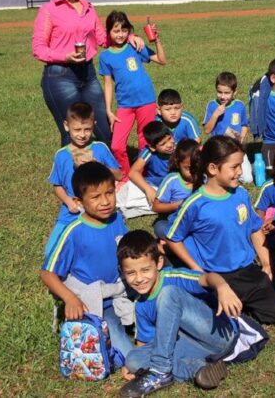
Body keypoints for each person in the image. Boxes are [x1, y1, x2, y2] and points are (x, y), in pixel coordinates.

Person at [165, 137, 275, 324]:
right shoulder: (195, 204)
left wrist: (266, 263)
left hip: (247, 270)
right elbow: (173, 237)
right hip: (216, 275)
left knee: (273, 317)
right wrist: (197, 270)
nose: (240, 172)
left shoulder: (241, 195)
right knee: (225, 322)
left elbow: (254, 228)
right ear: (212, 169)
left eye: (240, 166)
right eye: (234, 167)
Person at [117, 230, 247, 395]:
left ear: (158, 263)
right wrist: (135, 364)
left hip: (218, 334)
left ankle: (160, 371)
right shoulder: (140, 305)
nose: (139, 278)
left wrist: (222, 287)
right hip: (192, 348)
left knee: (169, 294)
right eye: (131, 273)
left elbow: (208, 278)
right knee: (133, 358)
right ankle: (198, 369)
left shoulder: (174, 277)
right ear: (123, 272)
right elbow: (146, 343)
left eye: (145, 270)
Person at [32, 0, 144, 145]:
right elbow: (38, 48)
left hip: (88, 74)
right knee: (75, 133)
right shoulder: (48, 10)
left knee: (106, 130)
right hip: (60, 76)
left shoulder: (88, 7)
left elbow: (102, 38)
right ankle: (71, 173)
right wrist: (65, 56)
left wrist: (128, 36)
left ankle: (114, 172)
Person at [40, 161, 134, 357]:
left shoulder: (118, 219)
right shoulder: (74, 232)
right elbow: (47, 273)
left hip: (122, 290)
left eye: (110, 193)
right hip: (94, 300)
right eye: (96, 197)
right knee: (126, 353)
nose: (106, 202)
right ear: (79, 202)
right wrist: (70, 298)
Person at [44, 102, 120, 256]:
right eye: (77, 129)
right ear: (66, 126)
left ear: (94, 125)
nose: (82, 134)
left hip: (98, 207)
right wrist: (68, 201)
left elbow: (119, 175)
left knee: (105, 248)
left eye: (87, 129)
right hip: (71, 211)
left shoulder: (100, 148)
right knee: (51, 252)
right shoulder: (61, 155)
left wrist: (99, 165)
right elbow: (57, 185)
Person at [99, 10, 167, 175]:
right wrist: (108, 110)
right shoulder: (105, 56)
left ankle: (142, 175)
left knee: (145, 141)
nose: (120, 34)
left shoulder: (135, 46)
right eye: (116, 31)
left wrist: (156, 40)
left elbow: (161, 60)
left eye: (124, 30)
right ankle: (125, 176)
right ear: (108, 32)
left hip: (146, 101)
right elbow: (108, 84)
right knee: (117, 145)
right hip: (125, 105)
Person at [152, 140, 198, 239]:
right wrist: (180, 204)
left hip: (198, 222)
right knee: (160, 227)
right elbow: (156, 207)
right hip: (175, 223)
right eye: (188, 168)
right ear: (178, 163)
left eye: (197, 167)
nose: (193, 171)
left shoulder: (204, 178)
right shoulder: (171, 180)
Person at [129, 121, 177, 207]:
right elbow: (133, 172)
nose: (169, 145)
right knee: (130, 188)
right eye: (163, 144)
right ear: (153, 147)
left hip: (175, 184)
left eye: (170, 138)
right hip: (154, 185)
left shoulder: (179, 147)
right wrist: (148, 189)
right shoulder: (149, 152)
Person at [203, 72, 248, 143]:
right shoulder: (212, 105)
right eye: (219, 92)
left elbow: (244, 125)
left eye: (227, 93)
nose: (223, 97)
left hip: (234, 146)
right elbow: (207, 130)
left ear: (234, 92)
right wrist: (215, 115)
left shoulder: (240, 106)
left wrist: (241, 138)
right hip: (218, 146)